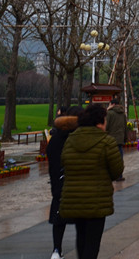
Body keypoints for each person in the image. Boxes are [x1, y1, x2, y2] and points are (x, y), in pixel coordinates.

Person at [59, 104, 124, 259]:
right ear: (100, 121)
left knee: (81, 237)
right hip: (96, 199)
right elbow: (116, 171)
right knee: (93, 242)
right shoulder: (106, 142)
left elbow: (64, 163)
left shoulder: (70, 140)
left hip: (74, 198)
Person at [47, 105, 82, 259]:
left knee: (58, 218)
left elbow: (52, 164)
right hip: (78, 185)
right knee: (82, 222)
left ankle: (56, 248)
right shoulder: (78, 138)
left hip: (59, 184)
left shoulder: (55, 139)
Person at [106, 98, 127, 179]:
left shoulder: (109, 113)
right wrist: (125, 138)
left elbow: (106, 126)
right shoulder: (123, 113)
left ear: (113, 104)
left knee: (110, 158)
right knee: (119, 158)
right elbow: (125, 127)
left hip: (111, 139)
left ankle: (111, 174)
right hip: (120, 139)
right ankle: (119, 175)